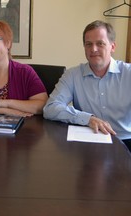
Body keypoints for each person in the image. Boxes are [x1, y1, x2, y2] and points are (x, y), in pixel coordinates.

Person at [43, 20, 131, 151]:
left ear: (112, 46)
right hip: (88, 141)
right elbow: (50, 108)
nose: (93, 49)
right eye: (88, 44)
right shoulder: (72, 75)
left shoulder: (128, 73)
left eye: (100, 43)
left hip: (125, 141)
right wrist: (88, 119)